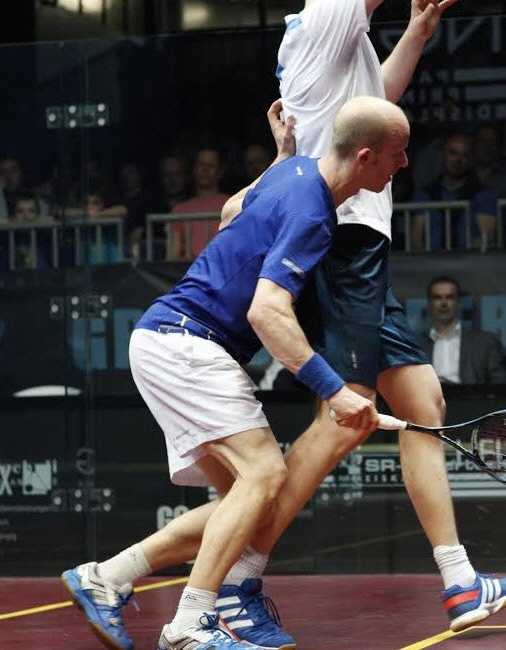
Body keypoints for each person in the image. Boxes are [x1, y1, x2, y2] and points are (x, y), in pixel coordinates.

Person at [245, 0, 506, 643]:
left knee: (421, 399)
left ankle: (459, 581)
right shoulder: (330, 12)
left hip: (356, 241)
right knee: (345, 417)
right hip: (343, 242)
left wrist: (416, 35)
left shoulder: (325, 33)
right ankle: (239, 578)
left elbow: (375, 108)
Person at [61, 95, 409, 650]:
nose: (405, 163)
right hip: (187, 344)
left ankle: (107, 577)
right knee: (266, 476)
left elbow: (230, 212)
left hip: (167, 340)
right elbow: (267, 312)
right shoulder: (314, 215)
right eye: (398, 152)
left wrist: (280, 155)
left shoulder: (293, 171)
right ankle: (190, 624)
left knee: (247, 506)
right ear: (366, 156)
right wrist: (338, 393)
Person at [411, 132, 498, 250]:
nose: (458, 160)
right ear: (442, 156)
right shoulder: (425, 194)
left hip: (470, 259)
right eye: (453, 153)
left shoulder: (483, 195)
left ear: (470, 160)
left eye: (465, 155)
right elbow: (416, 241)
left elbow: (485, 239)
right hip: (431, 260)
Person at [418, 276, 506, 384]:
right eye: (437, 298)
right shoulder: (417, 347)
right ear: (429, 303)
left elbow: (501, 384)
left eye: (450, 297)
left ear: (458, 302)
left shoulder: (484, 342)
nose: (444, 303)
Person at [171, 147, 229, 260]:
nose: (205, 169)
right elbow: (173, 256)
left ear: (220, 172)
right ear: (194, 170)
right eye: (200, 164)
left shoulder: (233, 205)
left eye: (211, 165)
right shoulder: (179, 210)